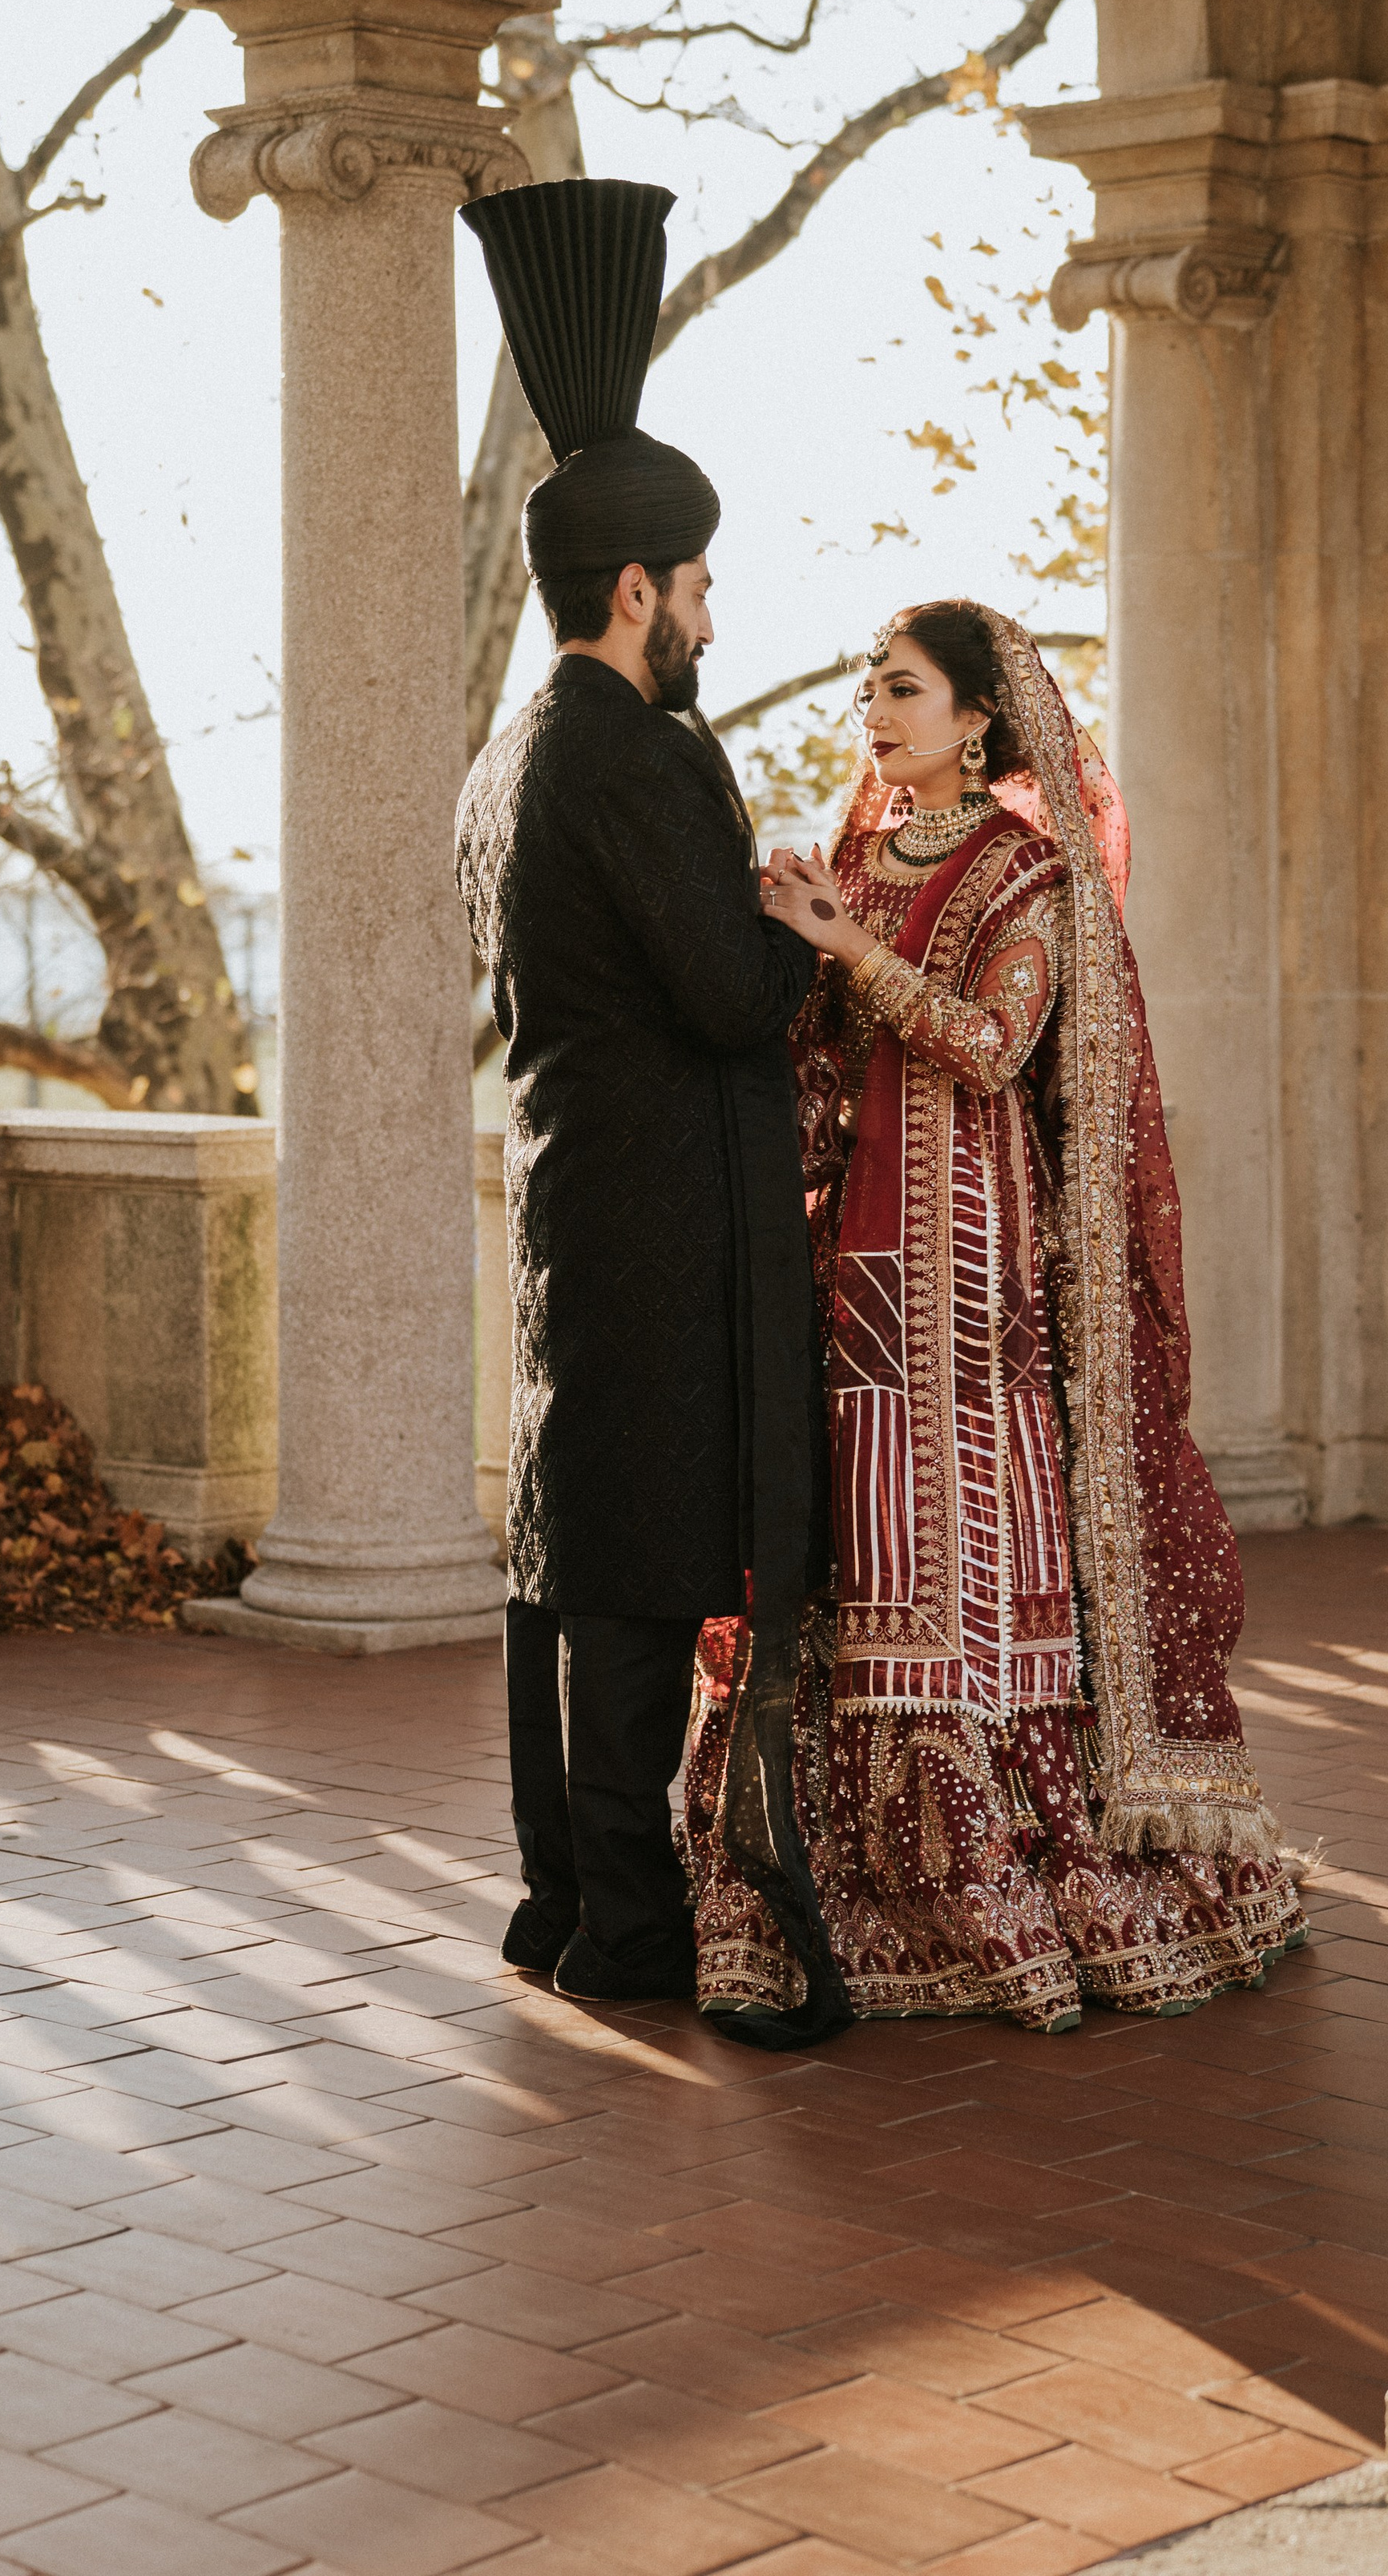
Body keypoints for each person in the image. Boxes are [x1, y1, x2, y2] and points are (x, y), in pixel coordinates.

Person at [684, 600, 1305, 2033]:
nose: (875, 715)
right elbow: (820, 1046)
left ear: (977, 720)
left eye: (902, 691)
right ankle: (828, 1870)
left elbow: (992, 1045)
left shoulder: (1026, 871)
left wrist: (847, 952)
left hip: (967, 1248)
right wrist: (789, 945)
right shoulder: (858, 859)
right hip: (847, 1247)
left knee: (950, 1519)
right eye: (866, 692)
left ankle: (987, 1873)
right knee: (852, 1516)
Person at [455, 175, 843, 2022]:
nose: (707, 611)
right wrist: (809, 928)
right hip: (655, 1219)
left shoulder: (515, 745)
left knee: (566, 1548)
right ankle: (621, 1927)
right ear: (633, 590)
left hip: (568, 1201)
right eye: (693, 584)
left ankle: (556, 1898)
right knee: (617, 1574)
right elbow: (718, 993)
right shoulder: (633, 754)